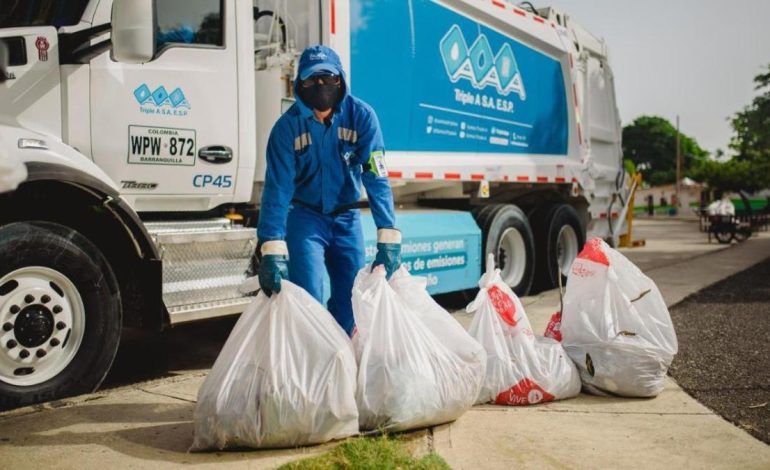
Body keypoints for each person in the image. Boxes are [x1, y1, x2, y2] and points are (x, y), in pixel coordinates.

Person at [253, 45, 401, 335]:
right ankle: (316, 367)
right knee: (309, 296)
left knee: (351, 302)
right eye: (312, 80)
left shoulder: (361, 118)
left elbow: (376, 175)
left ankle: (342, 364)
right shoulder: (287, 129)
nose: (321, 86)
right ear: (300, 84)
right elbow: (277, 189)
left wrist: (388, 234)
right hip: (305, 220)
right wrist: (270, 246)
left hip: (346, 221)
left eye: (328, 78)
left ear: (340, 80)